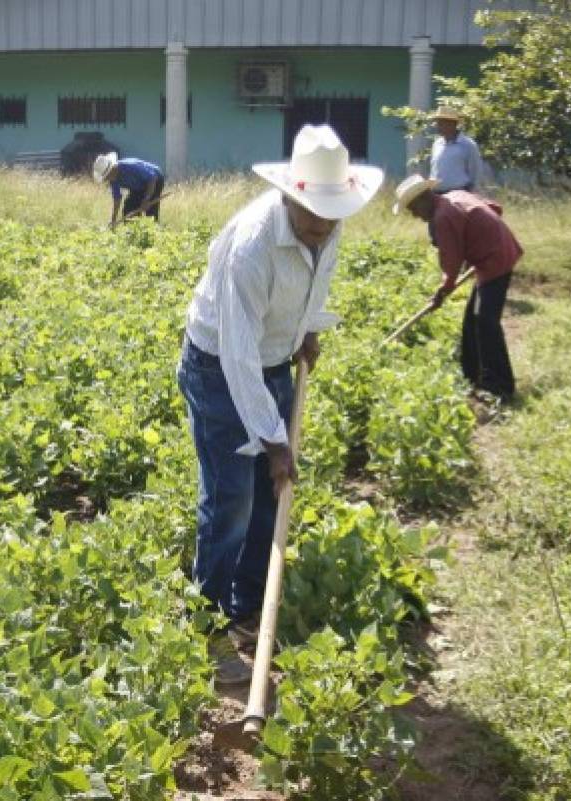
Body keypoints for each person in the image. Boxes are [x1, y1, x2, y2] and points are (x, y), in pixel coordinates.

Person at [177, 125, 383, 685]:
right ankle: (206, 622)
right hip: (221, 368)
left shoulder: (326, 224)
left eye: (330, 221)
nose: (321, 234)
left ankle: (248, 604)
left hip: (272, 359)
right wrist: (272, 440)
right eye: (312, 221)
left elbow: (315, 282)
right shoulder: (251, 247)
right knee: (232, 500)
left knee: (273, 492)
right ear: (289, 197)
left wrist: (307, 329)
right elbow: (238, 355)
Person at [394, 175, 522, 402]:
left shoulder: (443, 216)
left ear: (425, 198)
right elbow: (495, 209)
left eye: (413, 208)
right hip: (496, 252)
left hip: (495, 260)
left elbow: (450, 262)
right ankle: (471, 376)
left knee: (485, 321)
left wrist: (442, 292)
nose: (414, 214)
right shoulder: (454, 196)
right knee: (472, 321)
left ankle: (500, 386)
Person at [93, 153, 165, 226]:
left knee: (150, 213)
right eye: (106, 177)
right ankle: (133, 233)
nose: (107, 179)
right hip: (138, 187)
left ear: (112, 168)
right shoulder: (113, 180)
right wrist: (113, 219)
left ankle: (153, 232)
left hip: (155, 180)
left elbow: (152, 178)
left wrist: (147, 199)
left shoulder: (130, 166)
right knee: (128, 210)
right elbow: (117, 198)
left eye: (107, 176)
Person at [429, 106, 485, 194]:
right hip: (437, 194)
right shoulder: (437, 144)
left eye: (441, 123)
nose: (437, 126)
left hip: (459, 194)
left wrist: (472, 193)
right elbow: (434, 170)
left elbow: (475, 172)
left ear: (452, 124)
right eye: (437, 122)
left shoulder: (467, 144)